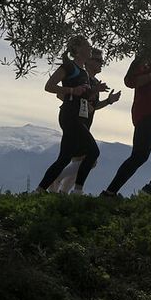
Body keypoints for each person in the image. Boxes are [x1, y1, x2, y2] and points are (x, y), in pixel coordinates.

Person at [100, 21, 151, 198]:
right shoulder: (143, 58)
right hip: (149, 111)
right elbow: (129, 81)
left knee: (139, 156)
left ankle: (109, 193)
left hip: (150, 112)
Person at [37, 35, 109, 195]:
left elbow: (84, 96)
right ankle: (77, 191)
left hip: (79, 116)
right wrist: (71, 90)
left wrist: (95, 92)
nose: (90, 48)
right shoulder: (69, 67)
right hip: (70, 115)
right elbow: (49, 86)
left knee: (64, 159)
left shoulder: (83, 72)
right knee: (93, 152)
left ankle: (40, 190)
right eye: (87, 46)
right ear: (77, 50)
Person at [47, 48, 120, 192]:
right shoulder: (81, 78)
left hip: (84, 123)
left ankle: (61, 191)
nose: (101, 63)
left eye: (102, 60)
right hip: (74, 121)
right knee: (88, 158)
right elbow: (62, 95)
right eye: (98, 60)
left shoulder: (93, 81)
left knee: (78, 160)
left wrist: (108, 101)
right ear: (89, 61)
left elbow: (93, 106)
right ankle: (58, 182)